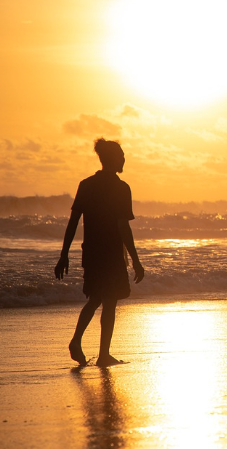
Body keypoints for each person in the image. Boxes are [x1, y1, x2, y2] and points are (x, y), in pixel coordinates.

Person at [55, 138, 145, 366]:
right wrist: (135, 260)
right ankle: (103, 355)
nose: (124, 159)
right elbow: (123, 227)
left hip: (92, 252)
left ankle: (77, 341)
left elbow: (73, 222)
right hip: (112, 253)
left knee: (96, 298)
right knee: (109, 300)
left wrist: (64, 254)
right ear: (112, 159)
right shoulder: (121, 188)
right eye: (121, 155)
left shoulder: (86, 185)